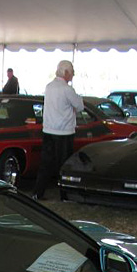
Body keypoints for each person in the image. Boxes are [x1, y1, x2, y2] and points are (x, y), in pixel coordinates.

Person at [33, 59, 83, 200]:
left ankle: (38, 192)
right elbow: (79, 106)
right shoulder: (67, 89)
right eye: (72, 71)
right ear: (66, 72)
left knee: (45, 164)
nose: (73, 74)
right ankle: (64, 195)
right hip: (64, 132)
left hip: (48, 130)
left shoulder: (49, 87)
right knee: (64, 165)